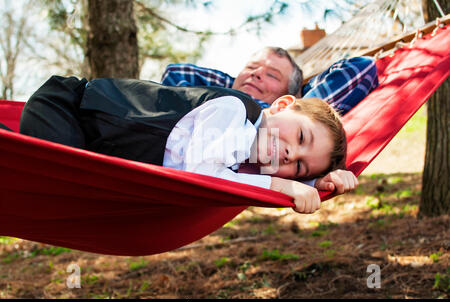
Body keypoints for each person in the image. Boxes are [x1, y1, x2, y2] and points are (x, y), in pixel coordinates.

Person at [19, 75, 358, 214]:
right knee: (47, 175)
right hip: (66, 108)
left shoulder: (248, 162)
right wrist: (287, 183)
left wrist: (317, 183)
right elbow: (204, 174)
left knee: (66, 190)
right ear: (282, 105)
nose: (289, 154)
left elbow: (240, 177)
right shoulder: (234, 109)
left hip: (90, 150)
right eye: (301, 137)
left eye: (299, 164)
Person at [161, 47, 379, 115]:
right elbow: (177, 72)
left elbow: (362, 68)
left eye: (272, 75)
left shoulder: (287, 123)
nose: (257, 74)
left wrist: (298, 101)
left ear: (289, 97)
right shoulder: (226, 90)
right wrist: (237, 93)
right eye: (252, 67)